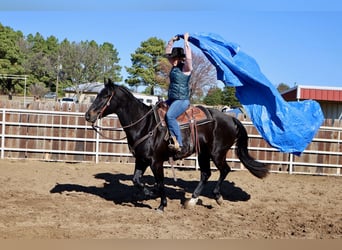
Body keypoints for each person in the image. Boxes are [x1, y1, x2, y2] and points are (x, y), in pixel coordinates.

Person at [164, 32, 193, 154]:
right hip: (171, 98)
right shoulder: (174, 66)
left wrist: (186, 42)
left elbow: (189, 58)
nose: (171, 60)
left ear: (180, 58)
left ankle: (178, 143)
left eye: (174, 58)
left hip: (182, 100)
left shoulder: (186, 68)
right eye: (172, 58)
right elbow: (167, 53)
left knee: (170, 116)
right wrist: (172, 40)